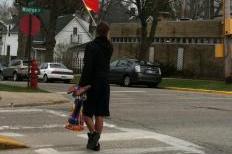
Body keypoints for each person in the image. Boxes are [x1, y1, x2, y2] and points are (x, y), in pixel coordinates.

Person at [78, 21, 113, 151]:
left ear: (96, 32)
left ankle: (94, 136)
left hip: (92, 83)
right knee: (100, 114)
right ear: (107, 33)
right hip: (104, 83)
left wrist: (81, 86)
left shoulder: (91, 46)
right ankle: (95, 142)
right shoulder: (109, 47)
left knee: (87, 113)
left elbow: (88, 67)